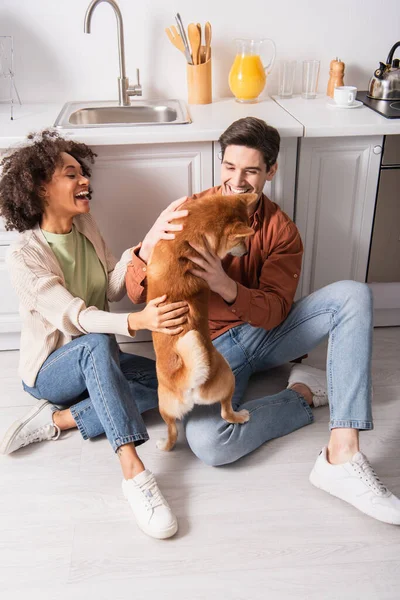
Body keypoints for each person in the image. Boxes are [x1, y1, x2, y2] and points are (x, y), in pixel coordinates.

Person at [126, 117, 400, 526]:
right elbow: (135, 294)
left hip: (264, 335)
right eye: (230, 168)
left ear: (271, 171)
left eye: (251, 171)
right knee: (210, 444)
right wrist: (146, 249)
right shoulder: (186, 212)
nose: (237, 181)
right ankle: (304, 393)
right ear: (220, 165)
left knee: (354, 295)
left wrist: (223, 283)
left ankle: (342, 455)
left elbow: (274, 312)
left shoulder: (282, 231)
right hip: (211, 350)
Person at [0, 130, 190, 540]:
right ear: (41, 187)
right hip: (52, 371)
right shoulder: (24, 256)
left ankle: (60, 420)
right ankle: (134, 473)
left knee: (170, 384)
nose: (84, 180)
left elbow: (110, 287)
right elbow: (78, 317)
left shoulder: (84, 222)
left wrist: (145, 248)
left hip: (99, 359)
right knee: (98, 342)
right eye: (71, 174)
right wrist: (137, 322)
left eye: (82, 171)